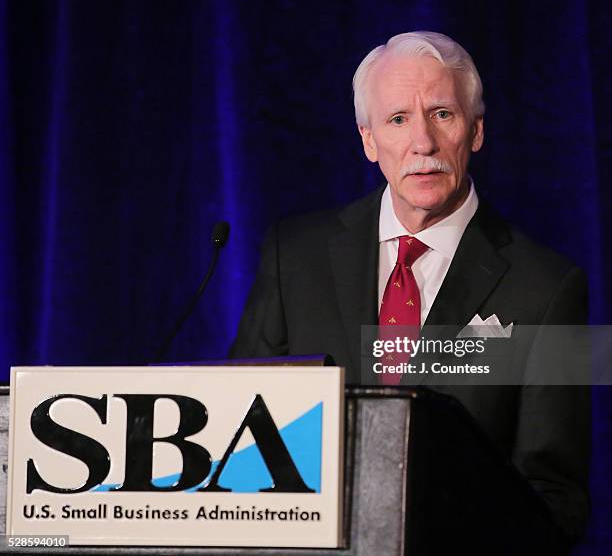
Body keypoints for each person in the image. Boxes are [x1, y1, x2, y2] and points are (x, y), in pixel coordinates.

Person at [229, 31, 590, 544]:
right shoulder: (295, 254)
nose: (423, 142)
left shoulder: (553, 287)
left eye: (442, 113)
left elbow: (559, 500)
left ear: (477, 130)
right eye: (398, 119)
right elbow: (238, 431)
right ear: (369, 141)